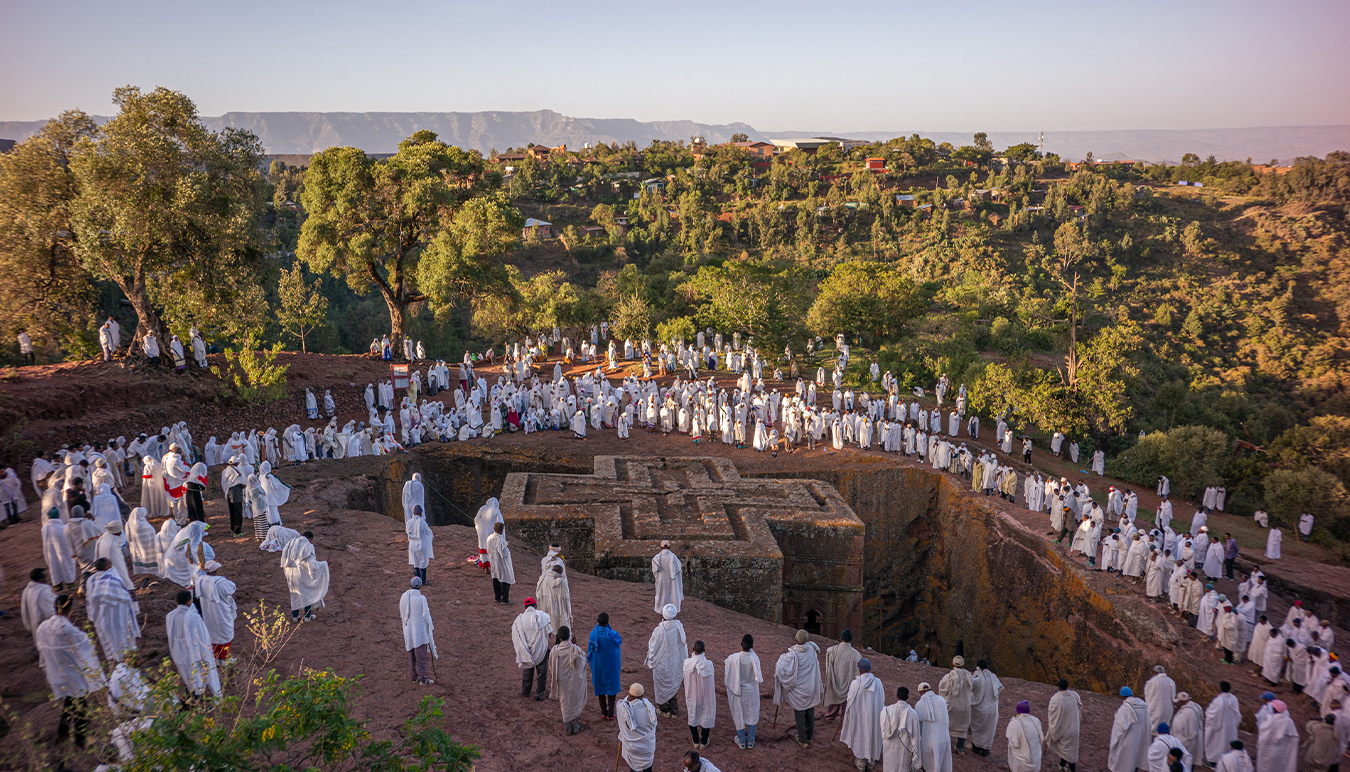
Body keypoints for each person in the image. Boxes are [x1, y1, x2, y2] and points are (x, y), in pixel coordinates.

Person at [36, 595, 107, 747]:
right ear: (69, 609)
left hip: (57, 674)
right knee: (81, 708)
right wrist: (96, 676)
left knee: (69, 703)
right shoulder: (72, 632)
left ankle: (62, 734)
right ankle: (80, 741)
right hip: (74, 677)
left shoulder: (43, 628)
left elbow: (42, 649)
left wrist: (45, 666)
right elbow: (86, 653)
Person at [165, 589, 221, 701]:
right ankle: (197, 700)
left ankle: (191, 694)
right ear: (188, 602)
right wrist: (206, 653)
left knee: (186, 674)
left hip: (178, 652)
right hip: (193, 653)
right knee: (197, 674)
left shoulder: (170, 616)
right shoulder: (193, 617)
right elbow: (202, 636)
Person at [774, 629, 823, 748]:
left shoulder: (792, 655)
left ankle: (803, 740)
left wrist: (779, 661)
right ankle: (809, 736)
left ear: (796, 640)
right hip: (810, 687)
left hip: (799, 690)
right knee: (810, 712)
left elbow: (782, 669)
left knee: (800, 713)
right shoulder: (812, 649)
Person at [85, 557, 140, 663]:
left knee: (111, 645)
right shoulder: (114, 579)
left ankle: (117, 665)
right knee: (125, 642)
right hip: (118, 618)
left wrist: (93, 617)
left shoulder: (91, 580)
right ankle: (127, 666)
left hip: (102, 620)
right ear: (107, 567)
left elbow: (90, 601)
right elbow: (125, 597)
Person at [840, 658, 884, 771]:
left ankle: (860, 762)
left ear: (859, 669)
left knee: (860, 736)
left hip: (859, 716)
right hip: (874, 716)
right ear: (869, 669)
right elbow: (881, 699)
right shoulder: (878, 682)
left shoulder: (856, 684)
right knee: (872, 735)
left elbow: (849, 700)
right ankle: (870, 762)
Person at [646, 603, 686, 718]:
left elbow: (653, 647)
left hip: (662, 662)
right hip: (675, 661)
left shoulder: (659, 630)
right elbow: (683, 645)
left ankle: (664, 709)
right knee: (672, 684)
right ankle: (674, 710)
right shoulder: (679, 627)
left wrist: (651, 660)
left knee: (661, 685)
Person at [547, 625, 589, 735]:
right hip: (575, 682)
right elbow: (583, 662)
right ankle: (576, 726)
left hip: (562, 683)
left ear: (559, 637)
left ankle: (567, 728)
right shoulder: (575, 649)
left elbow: (551, 666)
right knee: (575, 702)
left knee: (565, 704)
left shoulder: (555, 651)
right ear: (569, 636)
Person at [280, 530, 329, 622]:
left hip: (289, 572)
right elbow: (312, 565)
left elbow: (284, 559)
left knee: (294, 593)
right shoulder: (308, 546)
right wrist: (324, 564)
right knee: (306, 592)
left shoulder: (290, 543)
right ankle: (307, 616)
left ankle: (295, 616)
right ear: (310, 539)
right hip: (301, 573)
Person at [724, 633, 762, 750]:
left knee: (738, 713)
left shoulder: (733, 658)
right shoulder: (754, 658)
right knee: (752, 713)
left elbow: (727, 670)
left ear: (741, 644)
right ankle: (750, 741)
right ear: (752, 646)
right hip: (751, 691)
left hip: (737, 690)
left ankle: (741, 740)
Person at [513, 597, 552, 700]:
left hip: (526, 650)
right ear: (535, 606)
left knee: (527, 671)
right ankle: (539, 695)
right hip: (541, 650)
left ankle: (525, 691)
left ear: (525, 607)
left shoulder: (519, 619)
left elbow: (517, 636)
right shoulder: (542, 616)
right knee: (541, 672)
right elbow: (550, 632)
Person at [400, 577, 437, 685]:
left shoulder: (404, 597)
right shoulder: (421, 599)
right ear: (420, 586)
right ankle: (423, 679)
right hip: (419, 631)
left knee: (411, 653)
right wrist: (430, 628)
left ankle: (414, 676)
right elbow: (426, 615)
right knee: (421, 655)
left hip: (408, 630)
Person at [588, 612, 623, 721]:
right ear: (608, 622)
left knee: (600, 688)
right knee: (611, 690)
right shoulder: (612, 634)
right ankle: (611, 713)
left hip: (598, 666)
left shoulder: (593, 634)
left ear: (597, 621)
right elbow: (619, 640)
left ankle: (604, 712)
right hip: (611, 666)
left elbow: (590, 651)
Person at [617, 682, 658, 772]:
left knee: (634, 767)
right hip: (647, 747)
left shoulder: (622, 708)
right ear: (642, 695)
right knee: (647, 767)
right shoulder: (650, 709)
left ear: (629, 694)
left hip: (632, 748)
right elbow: (653, 726)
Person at [683, 640, 716, 750]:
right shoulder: (708, 665)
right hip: (706, 697)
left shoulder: (687, 664)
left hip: (692, 696)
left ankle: (696, 740)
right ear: (704, 651)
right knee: (705, 717)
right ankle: (704, 741)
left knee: (692, 716)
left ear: (693, 650)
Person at [1110, 686, 1151, 772]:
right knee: (1136, 759)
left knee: (1126, 761)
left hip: (1128, 742)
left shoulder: (1124, 709)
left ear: (1122, 696)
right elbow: (1149, 723)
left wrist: (1114, 744)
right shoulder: (1143, 705)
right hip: (1140, 740)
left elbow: (1118, 729)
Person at [824, 628, 862, 722]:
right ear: (851, 639)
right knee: (847, 702)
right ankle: (844, 720)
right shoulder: (856, 654)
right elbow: (858, 671)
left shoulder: (832, 651)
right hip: (849, 683)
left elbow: (828, 667)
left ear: (840, 638)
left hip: (835, 681)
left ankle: (829, 717)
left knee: (834, 701)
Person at [915, 682, 953, 772]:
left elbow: (917, 723)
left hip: (930, 741)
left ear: (921, 692)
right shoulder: (942, 700)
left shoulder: (920, 704)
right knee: (942, 763)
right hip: (944, 738)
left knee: (930, 763)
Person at [938, 656, 973, 752]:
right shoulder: (969, 676)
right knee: (962, 728)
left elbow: (941, 687)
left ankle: (944, 746)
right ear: (964, 665)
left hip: (951, 707)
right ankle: (960, 747)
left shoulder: (948, 677)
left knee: (946, 725)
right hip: (965, 707)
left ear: (953, 664)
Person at [881, 685, 920, 772]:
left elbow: (883, 729)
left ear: (896, 696)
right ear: (908, 697)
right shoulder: (913, 714)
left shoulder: (886, 710)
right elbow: (915, 737)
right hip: (904, 751)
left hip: (889, 749)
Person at [1047, 679, 1083, 772]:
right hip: (1075, 728)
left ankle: (1072, 769)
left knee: (1069, 752)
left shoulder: (1056, 699)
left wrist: (1052, 729)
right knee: (1069, 750)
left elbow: (1052, 714)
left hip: (1065, 730)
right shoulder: (1074, 695)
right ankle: (1061, 764)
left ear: (1059, 687)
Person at [969, 659, 1002, 756]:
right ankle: (985, 749)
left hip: (979, 709)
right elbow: (998, 690)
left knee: (978, 728)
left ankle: (976, 747)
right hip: (992, 709)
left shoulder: (978, 678)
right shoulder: (993, 677)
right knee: (988, 730)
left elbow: (972, 689)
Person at [1255, 700, 1297, 772]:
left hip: (1268, 752)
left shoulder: (1270, 721)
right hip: (1282, 753)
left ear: (1274, 709)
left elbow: (1263, 736)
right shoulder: (1289, 721)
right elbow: (1294, 739)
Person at [1205, 682, 1241, 765]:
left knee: (1217, 744)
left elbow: (1211, 713)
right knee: (1228, 743)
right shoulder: (1234, 698)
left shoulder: (1218, 700)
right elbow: (1237, 713)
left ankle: (1214, 761)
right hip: (1230, 726)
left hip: (1219, 727)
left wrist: (1207, 714)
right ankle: (1228, 761)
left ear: (1220, 689)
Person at [42, 509, 77, 589]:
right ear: (58, 516)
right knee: (66, 565)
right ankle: (70, 583)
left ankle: (57, 584)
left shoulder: (44, 529)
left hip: (51, 553)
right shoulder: (64, 528)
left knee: (54, 565)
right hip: (64, 552)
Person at [1007, 700, 1045, 772]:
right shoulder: (1036, 720)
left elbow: (1014, 744)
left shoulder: (1015, 723)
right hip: (1036, 764)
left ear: (1017, 711)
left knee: (1011, 744)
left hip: (1023, 765)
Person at [536, 563, 572, 636]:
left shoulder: (542, 578)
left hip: (544, 605)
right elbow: (565, 598)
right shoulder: (560, 581)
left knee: (545, 625)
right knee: (559, 624)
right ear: (560, 572)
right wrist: (568, 612)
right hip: (557, 607)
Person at [21, 567, 57, 638]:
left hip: (35, 625)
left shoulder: (27, 589)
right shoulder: (43, 592)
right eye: (45, 576)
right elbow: (50, 612)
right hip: (47, 625)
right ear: (40, 579)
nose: (47, 578)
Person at [486, 521, 515, 604]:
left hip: (493, 561)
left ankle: (497, 597)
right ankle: (505, 599)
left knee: (495, 578)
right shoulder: (501, 541)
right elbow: (505, 554)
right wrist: (507, 547)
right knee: (504, 579)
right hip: (501, 563)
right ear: (502, 531)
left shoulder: (489, 538)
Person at [1172, 692, 1204, 764]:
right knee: (1191, 759)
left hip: (1186, 739)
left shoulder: (1187, 712)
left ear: (1182, 701)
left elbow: (1179, 726)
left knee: (1184, 760)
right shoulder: (1197, 706)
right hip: (1194, 738)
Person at [652, 540, 684, 614]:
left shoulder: (656, 559)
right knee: (672, 596)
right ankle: (673, 611)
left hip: (661, 580)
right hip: (672, 582)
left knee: (662, 596)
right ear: (669, 547)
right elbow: (678, 570)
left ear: (661, 547)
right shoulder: (674, 557)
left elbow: (654, 571)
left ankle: (661, 611)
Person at [406, 505, 434, 585]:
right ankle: (423, 580)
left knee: (415, 563)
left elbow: (408, 532)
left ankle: (417, 579)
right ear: (420, 513)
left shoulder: (409, 522)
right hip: (421, 546)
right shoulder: (422, 523)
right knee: (422, 563)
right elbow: (429, 533)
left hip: (412, 546)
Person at [1146, 665, 1178, 734]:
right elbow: (1173, 698)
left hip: (1154, 710)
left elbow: (1148, 696)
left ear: (1155, 673)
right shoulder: (1171, 682)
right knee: (1164, 731)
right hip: (1167, 712)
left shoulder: (1152, 681)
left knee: (1151, 731)